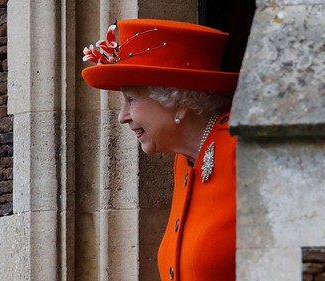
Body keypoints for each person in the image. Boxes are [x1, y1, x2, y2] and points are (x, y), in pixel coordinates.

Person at [82, 18, 239, 281]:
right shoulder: (184, 159)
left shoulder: (240, 146)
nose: (122, 116)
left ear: (179, 101)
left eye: (131, 99)